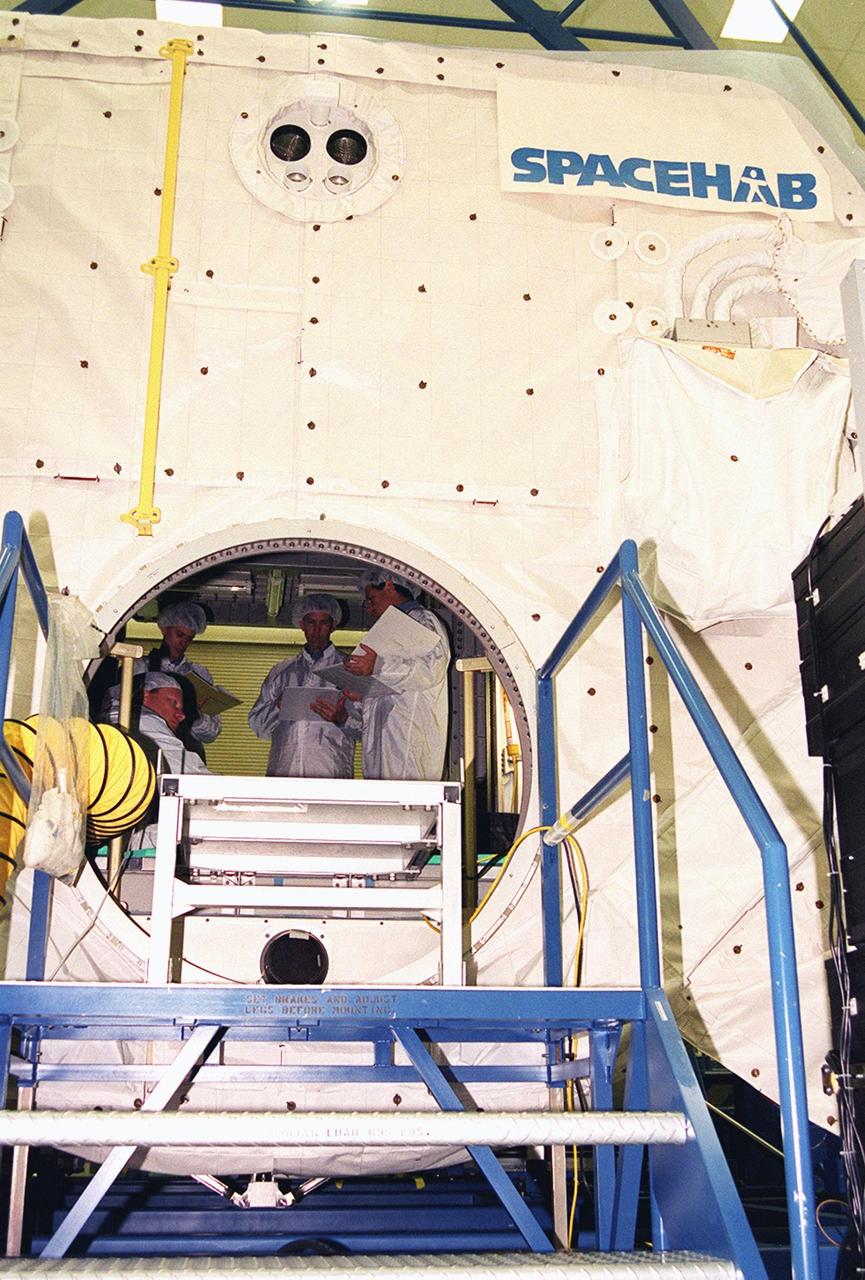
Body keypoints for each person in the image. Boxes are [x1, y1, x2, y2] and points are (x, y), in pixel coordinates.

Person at [322, 569, 450, 781]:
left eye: (371, 599)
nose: (369, 608)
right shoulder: (388, 630)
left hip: (409, 748)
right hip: (383, 753)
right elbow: (392, 692)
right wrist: (363, 692)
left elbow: (431, 670)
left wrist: (378, 666)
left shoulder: (421, 620)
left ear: (389, 586)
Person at [95, 601, 223, 763]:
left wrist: (195, 716)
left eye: (189, 638)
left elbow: (211, 734)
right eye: (179, 635)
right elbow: (114, 713)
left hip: (185, 754)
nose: (183, 642)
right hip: (143, 749)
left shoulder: (200, 675)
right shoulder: (135, 666)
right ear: (163, 629)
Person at [248, 593, 356, 778]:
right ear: (301, 625)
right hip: (284, 768)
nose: (317, 629)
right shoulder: (281, 673)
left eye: (324, 623)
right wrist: (277, 707)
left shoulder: (350, 669)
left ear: (333, 625)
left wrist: (343, 718)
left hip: (330, 769)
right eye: (311, 622)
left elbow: (369, 726)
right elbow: (259, 726)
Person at [109, 673, 210, 850]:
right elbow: (187, 772)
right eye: (173, 703)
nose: (182, 715)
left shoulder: (115, 717)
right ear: (144, 696)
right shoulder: (145, 721)